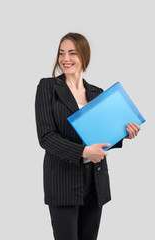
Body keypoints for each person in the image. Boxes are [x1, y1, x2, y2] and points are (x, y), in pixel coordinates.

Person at [35, 32, 141, 240]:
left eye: (72, 53)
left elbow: (99, 135)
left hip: (95, 181)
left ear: (84, 55)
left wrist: (123, 134)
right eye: (61, 53)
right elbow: (46, 136)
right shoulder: (48, 87)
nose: (65, 59)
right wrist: (83, 151)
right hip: (63, 182)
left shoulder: (97, 93)